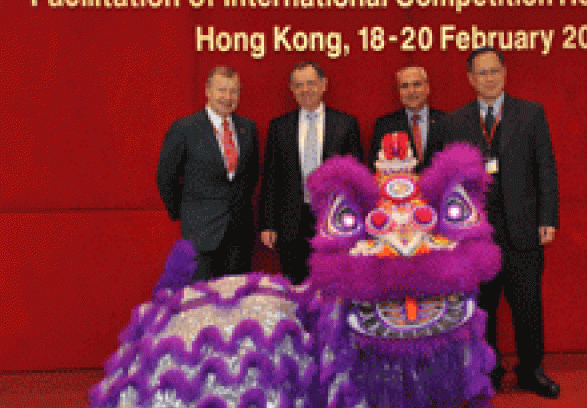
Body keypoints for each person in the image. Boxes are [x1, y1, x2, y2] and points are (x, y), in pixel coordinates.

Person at [426, 47, 560, 397]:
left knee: (527, 304)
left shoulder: (531, 114)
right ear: (470, 79)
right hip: (475, 235)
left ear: (505, 73)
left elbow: (545, 168)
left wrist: (547, 217)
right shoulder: (453, 123)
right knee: (482, 307)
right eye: (482, 73)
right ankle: (488, 371)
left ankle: (532, 370)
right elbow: (437, 178)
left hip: (523, 228)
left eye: (495, 71)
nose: (489, 78)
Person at [260, 61, 363, 284]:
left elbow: (356, 178)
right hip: (290, 222)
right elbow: (271, 179)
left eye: (311, 83)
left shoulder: (345, 124)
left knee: (331, 282)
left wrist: (355, 219)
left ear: (323, 85)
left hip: (333, 219)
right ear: (292, 89)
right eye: (299, 85)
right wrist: (268, 224)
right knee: (294, 286)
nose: (305, 90)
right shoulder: (279, 127)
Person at [156, 65, 260, 281]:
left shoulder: (248, 128)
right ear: (207, 90)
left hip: (239, 236)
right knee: (201, 297)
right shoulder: (184, 128)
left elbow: (250, 177)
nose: (228, 97)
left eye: (234, 91)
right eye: (222, 90)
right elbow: (166, 177)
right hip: (200, 233)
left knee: (237, 298)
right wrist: (186, 213)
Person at [368, 65, 445, 172]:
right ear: (399, 91)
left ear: (427, 88)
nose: (411, 92)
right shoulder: (384, 125)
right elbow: (375, 167)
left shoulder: (446, 121)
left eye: (416, 84)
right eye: (404, 86)